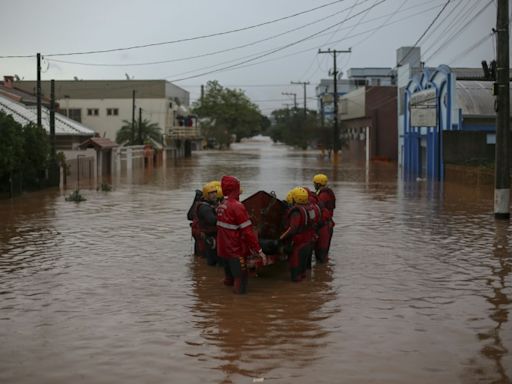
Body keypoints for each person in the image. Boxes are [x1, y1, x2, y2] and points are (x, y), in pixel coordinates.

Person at [216, 175, 266, 294]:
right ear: (236, 188)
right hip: (235, 251)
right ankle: (238, 308)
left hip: (223, 250)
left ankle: (223, 305)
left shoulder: (221, 205)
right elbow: (248, 233)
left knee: (229, 279)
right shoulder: (238, 207)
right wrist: (259, 251)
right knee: (241, 280)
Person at [279, 187, 318, 282]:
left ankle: (297, 294)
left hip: (298, 245)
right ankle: (303, 292)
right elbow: (314, 222)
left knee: (296, 276)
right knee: (303, 273)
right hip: (308, 242)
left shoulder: (296, 212)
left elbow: (293, 229)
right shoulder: (311, 208)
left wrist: (280, 239)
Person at [195, 181, 222, 266]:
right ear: (206, 194)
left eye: (215, 193)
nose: (214, 195)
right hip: (209, 238)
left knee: (212, 261)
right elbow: (213, 221)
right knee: (212, 262)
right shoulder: (205, 208)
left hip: (209, 236)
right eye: (211, 193)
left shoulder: (209, 205)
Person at [312, 173, 336, 263]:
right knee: (322, 254)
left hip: (324, 226)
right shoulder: (325, 193)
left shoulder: (323, 195)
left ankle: (322, 273)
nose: (314, 185)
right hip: (326, 225)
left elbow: (318, 207)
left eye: (314, 183)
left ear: (318, 184)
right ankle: (325, 272)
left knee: (321, 255)